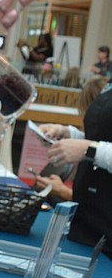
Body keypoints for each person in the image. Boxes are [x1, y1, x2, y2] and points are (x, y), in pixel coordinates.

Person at [38, 80, 112, 255]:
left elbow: (96, 147)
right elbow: (103, 136)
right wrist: (68, 134)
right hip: (89, 222)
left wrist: (88, 150)